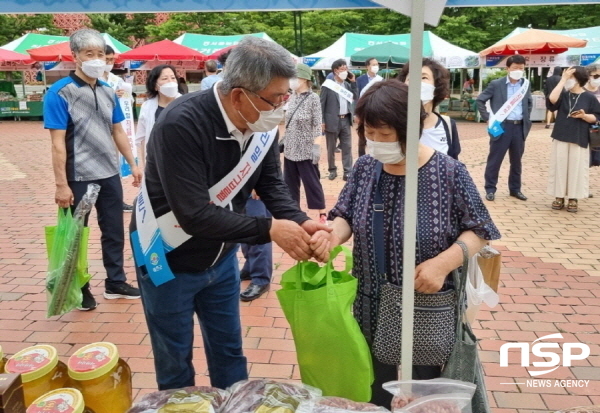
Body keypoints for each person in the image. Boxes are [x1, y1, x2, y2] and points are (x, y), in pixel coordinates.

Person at [129, 36, 330, 391]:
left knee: (229, 353)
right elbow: (193, 214)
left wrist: (301, 222)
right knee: (174, 360)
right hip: (167, 255)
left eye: (286, 96)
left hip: (221, 260)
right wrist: (270, 229)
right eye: (276, 98)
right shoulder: (181, 123)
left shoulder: (260, 126)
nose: (282, 106)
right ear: (239, 95)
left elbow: (272, 187)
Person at [310, 80, 500, 409]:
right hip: (369, 301)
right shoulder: (365, 167)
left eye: (386, 136)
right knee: (374, 386)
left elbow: (481, 229)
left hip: (424, 304)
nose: (377, 143)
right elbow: (345, 214)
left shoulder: (449, 172)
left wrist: (443, 264)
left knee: (423, 391)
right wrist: (333, 235)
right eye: (370, 133)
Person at [44, 28, 142, 311]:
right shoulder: (60, 93)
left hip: (109, 173)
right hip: (78, 177)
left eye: (101, 54)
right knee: (77, 235)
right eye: (90, 54)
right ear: (75, 56)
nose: (97, 60)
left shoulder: (109, 91)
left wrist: (133, 164)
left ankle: (115, 282)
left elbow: (118, 131)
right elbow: (57, 144)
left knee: (113, 230)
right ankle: (81, 287)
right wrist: (61, 184)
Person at [476, 54, 532, 202]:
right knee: (495, 159)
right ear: (507, 68)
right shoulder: (496, 84)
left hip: (519, 127)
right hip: (501, 126)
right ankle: (490, 189)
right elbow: (480, 100)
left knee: (516, 161)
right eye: (515, 68)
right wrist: (488, 118)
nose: (518, 70)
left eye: (521, 68)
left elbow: (529, 103)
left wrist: (526, 118)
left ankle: (515, 189)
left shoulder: (525, 85)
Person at [546, 66, 600, 213]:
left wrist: (584, 116)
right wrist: (563, 79)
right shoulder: (563, 94)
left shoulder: (589, 97)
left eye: (571, 77)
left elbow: (596, 117)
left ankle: (573, 198)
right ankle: (559, 196)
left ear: (578, 79)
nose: (568, 80)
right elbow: (552, 100)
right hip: (561, 134)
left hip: (579, 136)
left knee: (576, 168)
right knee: (559, 166)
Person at [284, 63, 327, 223]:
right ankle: (293, 213)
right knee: (289, 184)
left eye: (294, 77)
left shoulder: (313, 98)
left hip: (306, 149)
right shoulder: (292, 97)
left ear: (303, 78)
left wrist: (317, 146)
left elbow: (317, 125)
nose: (291, 81)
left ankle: (322, 213)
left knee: (312, 182)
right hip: (290, 148)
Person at [399, 58, 461, 160]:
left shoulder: (448, 125)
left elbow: (454, 163)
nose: (416, 83)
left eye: (423, 78)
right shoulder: (393, 122)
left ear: (436, 87)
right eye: (411, 78)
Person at [102, 45, 135, 212]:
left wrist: (126, 94)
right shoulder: (92, 80)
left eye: (111, 60)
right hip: (97, 129)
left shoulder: (116, 80)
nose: (109, 63)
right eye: (106, 59)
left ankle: (117, 200)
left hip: (115, 128)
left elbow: (128, 101)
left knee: (115, 164)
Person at [135, 64, 181, 169]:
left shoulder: (187, 104)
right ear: (155, 85)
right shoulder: (147, 107)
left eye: (173, 78)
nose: (170, 81)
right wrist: (145, 167)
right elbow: (142, 139)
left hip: (182, 162)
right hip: (156, 163)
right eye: (165, 78)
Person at [321, 59, 358, 181]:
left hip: (346, 120)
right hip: (331, 121)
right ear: (335, 71)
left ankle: (348, 171)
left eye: (346, 69)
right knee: (331, 148)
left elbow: (355, 97)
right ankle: (332, 170)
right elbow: (321, 104)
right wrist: (322, 121)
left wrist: (353, 82)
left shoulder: (347, 85)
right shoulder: (328, 85)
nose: (345, 71)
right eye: (342, 69)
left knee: (347, 147)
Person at [239, 192, 273, 301]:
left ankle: (261, 279)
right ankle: (249, 268)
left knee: (259, 230)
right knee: (244, 227)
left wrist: (255, 182)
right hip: (240, 189)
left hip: (254, 188)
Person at [585, 64, 600, 171]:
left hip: (598, 127)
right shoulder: (581, 90)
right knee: (586, 159)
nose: (598, 78)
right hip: (586, 127)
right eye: (595, 76)